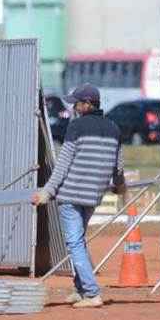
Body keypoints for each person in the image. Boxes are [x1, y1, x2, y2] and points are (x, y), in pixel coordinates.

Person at [31, 83, 127, 308]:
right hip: (93, 196)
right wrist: (120, 185)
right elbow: (118, 166)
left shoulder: (76, 127)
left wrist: (47, 192)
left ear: (87, 104)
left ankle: (92, 293)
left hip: (71, 195)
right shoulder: (114, 127)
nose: (73, 107)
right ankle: (80, 288)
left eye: (76, 103)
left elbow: (63, 165)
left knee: (74, 242)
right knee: (79, 240)